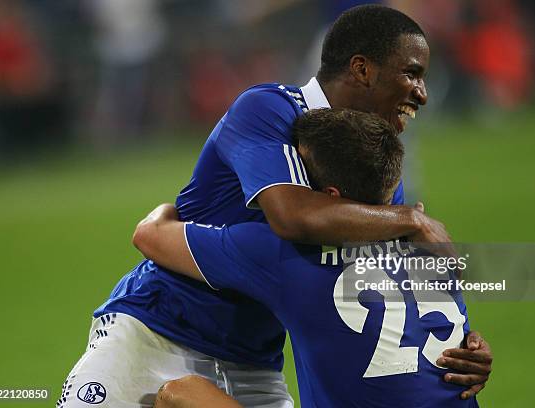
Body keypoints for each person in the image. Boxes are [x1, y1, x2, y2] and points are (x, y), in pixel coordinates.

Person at [58, 6, 491, 408]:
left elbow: (385, 283)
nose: (423, 93)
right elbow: (293, 218)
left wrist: (454, 344)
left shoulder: (373, 161)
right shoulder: (268, 109)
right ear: (362, 69)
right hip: (157, 333)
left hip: (255, 361)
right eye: (412, 74)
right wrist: (410, 218)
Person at [137, 108, 489, 407]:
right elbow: (521, 276)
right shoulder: (432, 245)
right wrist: (473, 345)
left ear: (330, 194)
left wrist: (168, 208)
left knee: (180, 394)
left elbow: (150, 235)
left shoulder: (284, 254)